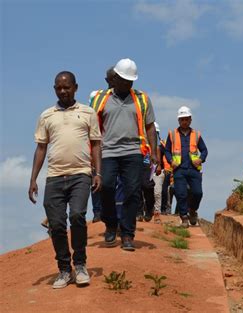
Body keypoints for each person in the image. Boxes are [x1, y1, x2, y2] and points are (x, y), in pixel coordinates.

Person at [28, 71, 102, 289]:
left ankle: (80, 265)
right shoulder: (46, 115)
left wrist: (98, 173)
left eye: (67, 87)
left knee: (78, 215)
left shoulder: (88, 113)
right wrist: (33, 179)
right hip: (54, 177)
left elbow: (96, 144)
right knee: (57, 224)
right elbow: (41, 147)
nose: (63, 91)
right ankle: (64, 269)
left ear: (75, 87)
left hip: (81, 173)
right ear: (54, 89)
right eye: (59, 88)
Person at [91, 58, 160, 251]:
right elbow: (91, 127)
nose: (128, 84)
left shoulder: (142, 98)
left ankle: (128, 234)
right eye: (124, 80)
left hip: (133, 152)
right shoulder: (100, 98)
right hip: (108, 152)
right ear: (115, 79)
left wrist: (154, 152)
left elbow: (150, 127)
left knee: (132, 192)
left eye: (131, 81)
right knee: (105, 187)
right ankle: (111, 224)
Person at [165, 106, 208, 228]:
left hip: (194, 170)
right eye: (182, 119)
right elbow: (167, 150)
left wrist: (200, 159)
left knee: (198, 193)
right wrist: (170, 160)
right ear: (179, 121)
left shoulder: (196, 135)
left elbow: (204, 150)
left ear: (190, 120)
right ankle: (184, 217)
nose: (184, 121)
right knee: (181, 194)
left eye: (186, 119)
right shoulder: (172, 134)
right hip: (179, 169)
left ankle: (193, 210)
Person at [89, 67, 116, 223]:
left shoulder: (124, 98)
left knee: (113, 184)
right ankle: (98, 212)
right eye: (111, 78)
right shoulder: (99, 100)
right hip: (98, 146)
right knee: (96, 180)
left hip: (115, 148)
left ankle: (110, 212)